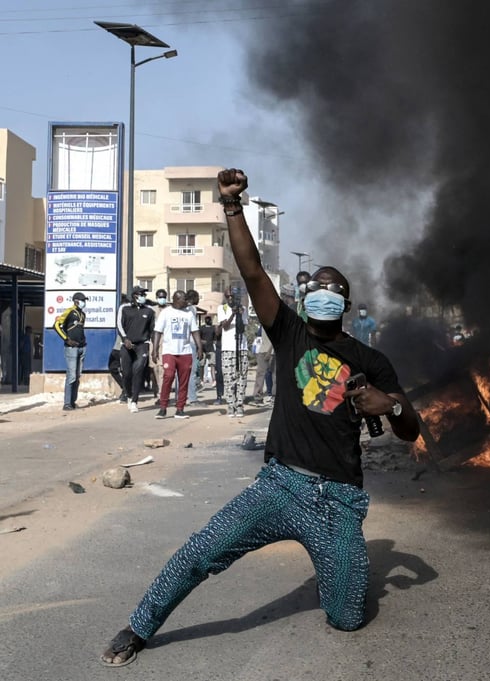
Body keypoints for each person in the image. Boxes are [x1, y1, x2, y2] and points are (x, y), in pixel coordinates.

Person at [100, 167, 421, 668]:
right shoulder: (289, 331)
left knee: (348, 616)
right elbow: (251, 271)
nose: (322, 292)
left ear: (346, 304)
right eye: (316, 286)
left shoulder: (371, 361)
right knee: (200, 552)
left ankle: (334, 571)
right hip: (279, 485)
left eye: (332, 289)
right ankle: (139, 627)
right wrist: (231, 205)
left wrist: (392, 404)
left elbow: (410, 428)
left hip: (337, 499)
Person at [152, 290, 204, 419]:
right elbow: (157, 331)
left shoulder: (189, 314)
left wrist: (200, 347)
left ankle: (180, 409)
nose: (186, 302)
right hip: (169, 351)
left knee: (184, 381)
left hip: (185, 351)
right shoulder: (166, 313)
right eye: (184, 299)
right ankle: (163, 407)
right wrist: (154, 349)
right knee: (168, 376)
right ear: (176, 299)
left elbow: (195, 331)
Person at [117, 286, 156, 413]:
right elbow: (119, 324)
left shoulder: (149, 311)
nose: (144, 296)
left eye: (145, 294)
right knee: (127, 373)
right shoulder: (124, 308)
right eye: (142, 294)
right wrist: (125, 339)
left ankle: (134, 400)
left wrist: (153, 345)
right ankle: (128, 395)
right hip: (127, 344)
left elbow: (152, 330)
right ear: (135, 295)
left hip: (142, 344)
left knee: (138, 370)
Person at [54, 292, 87, 411]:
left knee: (77, 376)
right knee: (71, 376)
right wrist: (67, 339)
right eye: (83, 300)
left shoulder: (83, 314)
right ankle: (67, 403)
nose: (85, 303)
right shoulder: (69, 311)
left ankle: (73, 402)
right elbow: (57, 325)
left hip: (82, 347)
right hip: (71, 348)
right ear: (76, 301)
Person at [217, 289, 249, 417]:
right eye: (228, 296)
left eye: (233, 297)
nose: (230, 299)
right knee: (228, 378)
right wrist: (233, 314)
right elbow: (224, 326)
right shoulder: (222, 308)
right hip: (228, 348)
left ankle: (240, 405)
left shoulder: (243, 309)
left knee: (242, 377)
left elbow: (242, 329)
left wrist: (240, 314)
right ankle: (231, 405)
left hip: (241, 347)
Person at [251, 327, 274, 403]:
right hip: (262, 350)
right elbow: (259, 336)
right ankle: (258, 397)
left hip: (272, 351)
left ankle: (274, 397)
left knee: (275, 375)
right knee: (260, 374)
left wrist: (269, 351)